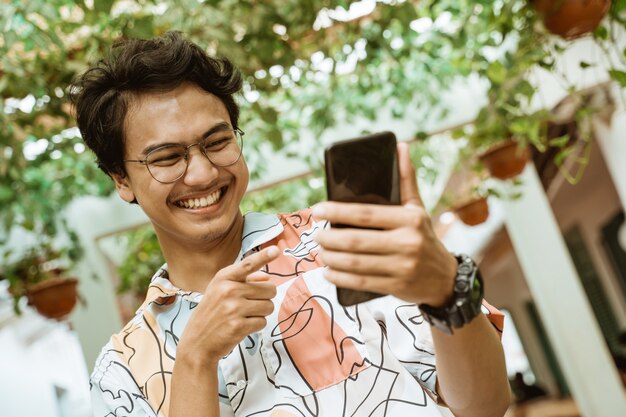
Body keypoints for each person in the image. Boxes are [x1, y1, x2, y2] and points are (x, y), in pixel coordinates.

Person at [71, 31, 510, 417]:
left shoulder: (341, 244)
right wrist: (194, 359)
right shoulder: (121, 371)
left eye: (217, 141)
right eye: (167, 157)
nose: (202, 174)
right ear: (121, 180)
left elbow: (485, 406)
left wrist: (446, 291)